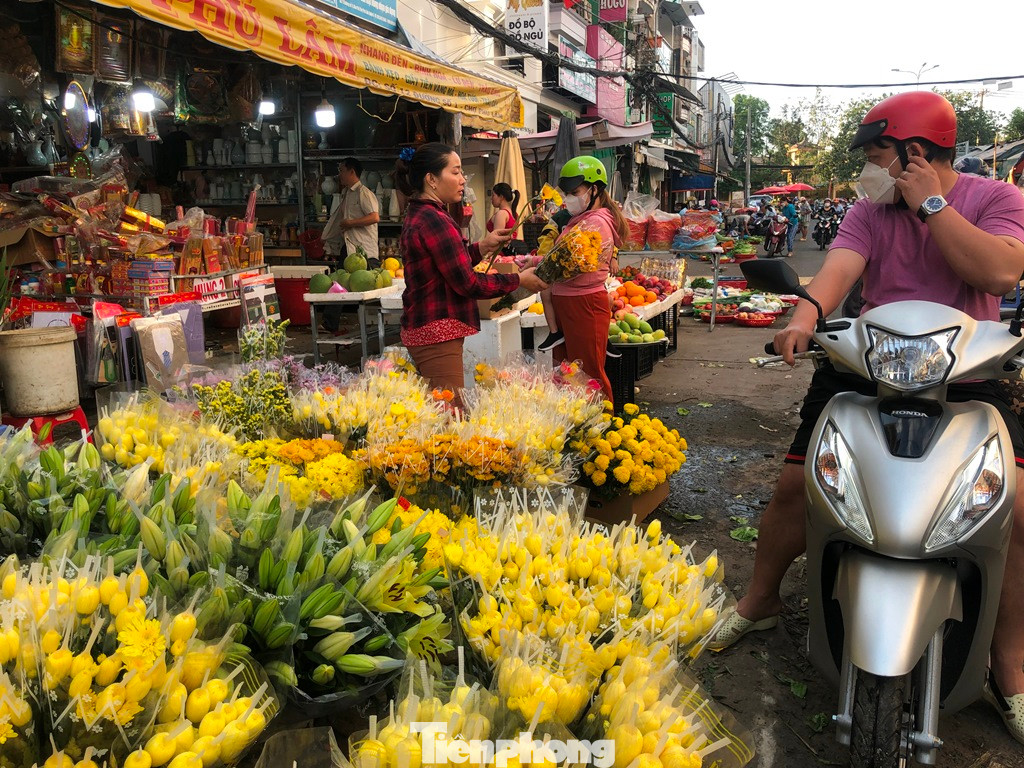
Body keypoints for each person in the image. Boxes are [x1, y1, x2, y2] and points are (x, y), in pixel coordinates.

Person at [706, 91, 1024, 744]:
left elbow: (998, 274)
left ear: (914, 153)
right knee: (799, 484)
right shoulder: (867, 211)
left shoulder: (995, 199)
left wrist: (930, 204)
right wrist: (803, 317)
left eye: (876, 155)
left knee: (1015, 509)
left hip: (968, 374)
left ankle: (1009, 663)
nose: (866, 170)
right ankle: (760, 601)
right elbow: (837, 272)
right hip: (867, 365)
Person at [395, 143, 547, 404]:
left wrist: (482, 247)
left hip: (429, 328)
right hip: (436, 332)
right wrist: (518, 280)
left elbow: (448, 265)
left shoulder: (426, 214)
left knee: (440, 411)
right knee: (449, 415)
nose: (462, 180)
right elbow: (468, 282)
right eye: (455, 172)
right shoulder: (435, 220)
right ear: (431, 179)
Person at [549, 156, 628, 403]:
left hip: (584, 304)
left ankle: (604, 430)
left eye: (575, 192)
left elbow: (570, 264)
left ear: (595, 189)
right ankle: (577, 429)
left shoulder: (596, 224)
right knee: (567, 374)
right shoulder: (579, 220)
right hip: (568, 303)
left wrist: (540, 270)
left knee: (589, 375)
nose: (569, 198)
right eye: (567, 193)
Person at [321, 157, 380, 267]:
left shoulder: (363, 193)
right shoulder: (346, 193)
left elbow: (374, 217)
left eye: (341, 170)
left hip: (365, 251)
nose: (339, 175)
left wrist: (350, 223)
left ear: (352, 171)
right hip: (349, 248)